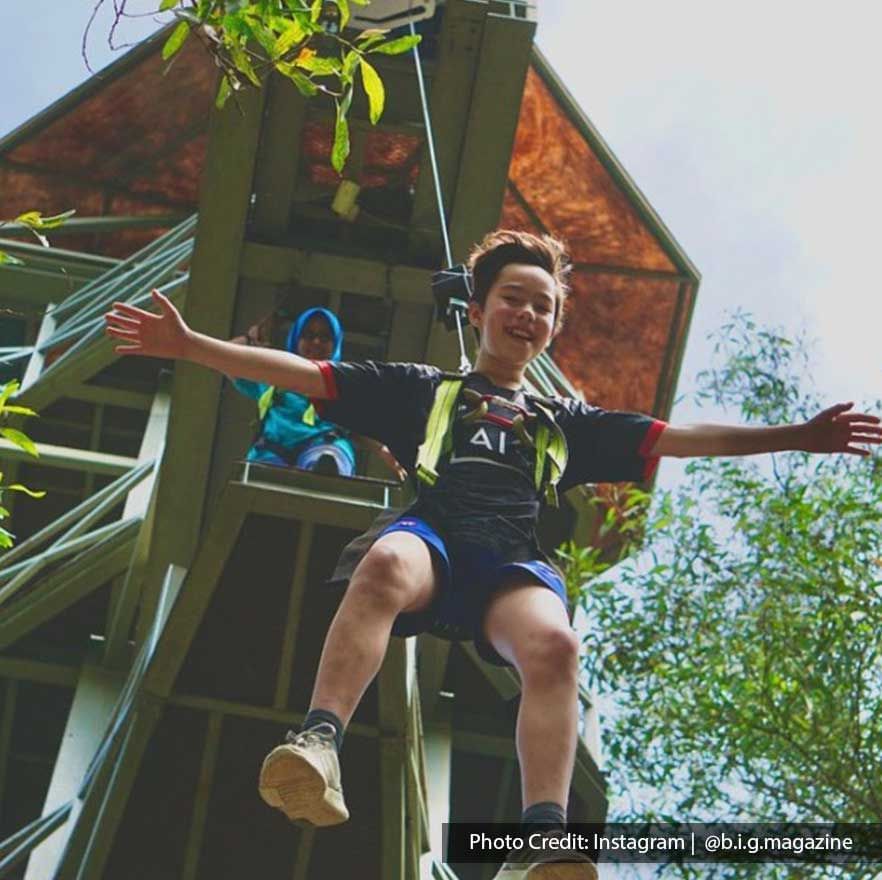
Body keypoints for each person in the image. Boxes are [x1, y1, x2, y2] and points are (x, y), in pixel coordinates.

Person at [104, 231, 880, 879]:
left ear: (551, 328)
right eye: (513, 297)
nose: (528, 313)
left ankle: (543, 833)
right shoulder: (422, 389)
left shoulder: (567, 421)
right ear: (477, 310)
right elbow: (309, 376)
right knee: (382, 567)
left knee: (558, 645)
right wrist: (193, 347)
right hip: (436, 534)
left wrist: (796, 436)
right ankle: (319, 742)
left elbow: (679, 438)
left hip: (511, 558)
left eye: (543, 306)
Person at [231, 306, 406, 480]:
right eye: (308, 335)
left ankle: (323, 474)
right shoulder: (273, 376)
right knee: (264, 472)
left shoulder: (344, 384)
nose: (316, 342)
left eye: (325, 337)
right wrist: (250, 337)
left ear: (335, 344)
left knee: (327, 459)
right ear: (296, 340)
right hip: (272, 451)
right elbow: (230, 362)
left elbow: (359, 427)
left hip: (324, 446)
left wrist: (382, 449)